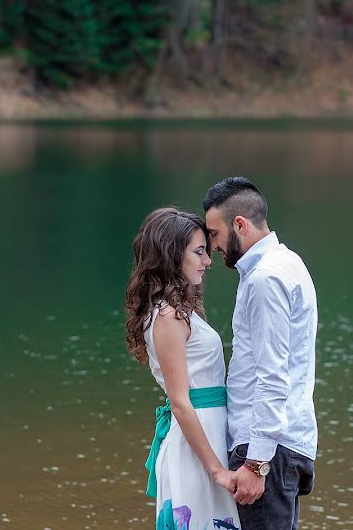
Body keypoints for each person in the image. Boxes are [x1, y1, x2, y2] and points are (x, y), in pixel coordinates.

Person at [203, 177, 318, 529]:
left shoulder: (266, 279)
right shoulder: (287, 263)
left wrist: (256, 465)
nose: (212, 246)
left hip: (268, 450)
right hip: (281, 445)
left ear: (240, 225)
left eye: (214, 233)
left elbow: (272, 374)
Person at [125, 207, 241, 530]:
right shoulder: (167, 317)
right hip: (197, 448)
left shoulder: (178, 311)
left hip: (208, 435)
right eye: (199, 252)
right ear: (173, 256)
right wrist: (216, 469)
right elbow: (179, 401)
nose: (208, 261)